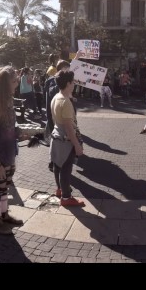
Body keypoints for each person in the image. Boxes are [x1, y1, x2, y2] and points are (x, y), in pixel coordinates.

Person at [0, 66, 27, 235]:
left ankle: (3, 215)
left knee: (5, 186)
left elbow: (9, 127)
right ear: (4, 84)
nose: (17, 83)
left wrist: (18, 133)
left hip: (9, 151)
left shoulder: (8, 100)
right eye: (14, 81)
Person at [50, 70, 85, 207]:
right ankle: (66, 197)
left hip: (57, 136)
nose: (74, 83)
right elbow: (70, 129)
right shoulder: (65, 102)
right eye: (73, 81)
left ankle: (59, 190)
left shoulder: (57, 97)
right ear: (68, 83)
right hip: (66, 140)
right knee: (66, 169)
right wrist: (77, 145)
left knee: (58, 165)